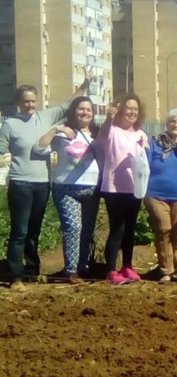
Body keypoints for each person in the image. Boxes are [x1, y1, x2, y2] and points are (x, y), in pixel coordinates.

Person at [0, 77, 90, 291]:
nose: (30, 105)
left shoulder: (45, 117)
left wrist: (85, 84)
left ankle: (32, 270)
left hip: (42, 184)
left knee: (34, 231)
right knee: (19, 231)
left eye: (33, 101)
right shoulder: (10, 124)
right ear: (18, 103)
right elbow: (1, 149)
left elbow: (69, 104)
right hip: (20, 183)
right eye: (26, 102)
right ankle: (15, 276)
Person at [33, 96, 101, 284]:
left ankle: (83, 267)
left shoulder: (98, 134)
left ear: (93, 113)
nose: (85, 112)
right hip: (66, 188)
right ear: (73, 111)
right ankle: (71, 271)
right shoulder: (64, 134)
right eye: (81, 109)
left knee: (87, 230)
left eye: (88, 109)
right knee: (73, 228)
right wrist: (56, 129)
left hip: (92, 188)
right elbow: (39, 148)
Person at [98, 93, 149, 285]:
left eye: (135, 109)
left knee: (130, 229)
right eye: (128, 108)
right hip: (114, 188)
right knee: (117, 229)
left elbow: (144, 161)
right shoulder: (111, 130)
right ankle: (111, 270)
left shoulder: (140, 134)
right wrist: (108, 118)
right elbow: (102, 135)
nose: (132, 112)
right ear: (120, 110)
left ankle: (127, 266)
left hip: (135, 189)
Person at [144, 109, 177, 282]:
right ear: (166, 123)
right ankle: (167, 270)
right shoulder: (154, 143)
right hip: (155, 194)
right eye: (173, 121)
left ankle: (176, 266)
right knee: (163, 229)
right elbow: (143, 166)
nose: (176, 125)